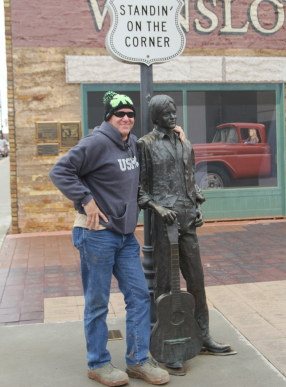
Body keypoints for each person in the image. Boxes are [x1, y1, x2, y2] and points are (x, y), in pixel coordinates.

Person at [49, 91, 170, 387]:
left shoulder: (129, 143)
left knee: (140, 296)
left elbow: (150, 145)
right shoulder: (97, 142)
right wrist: (86, 200)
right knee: (97, 302)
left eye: (130, 114)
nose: (126, 118)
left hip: (125, 237)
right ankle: (98, 363)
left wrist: (172, 133)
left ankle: (138, 360)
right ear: (108, 117)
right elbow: (60, 171)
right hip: (96, 235)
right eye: (120, 114)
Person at [137, 95, 231, 367]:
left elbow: (191, 182)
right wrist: (157, 207)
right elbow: (141, 189)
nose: (173, 117)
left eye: (174, 112)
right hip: (164, 222)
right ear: (156, 117)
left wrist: (198, 204)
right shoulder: (146, 144)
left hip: (188, 219)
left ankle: (203, 336)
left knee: (197, 280)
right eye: (166, 114)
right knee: (165, 283)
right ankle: (168, 340)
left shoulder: (184, 144)